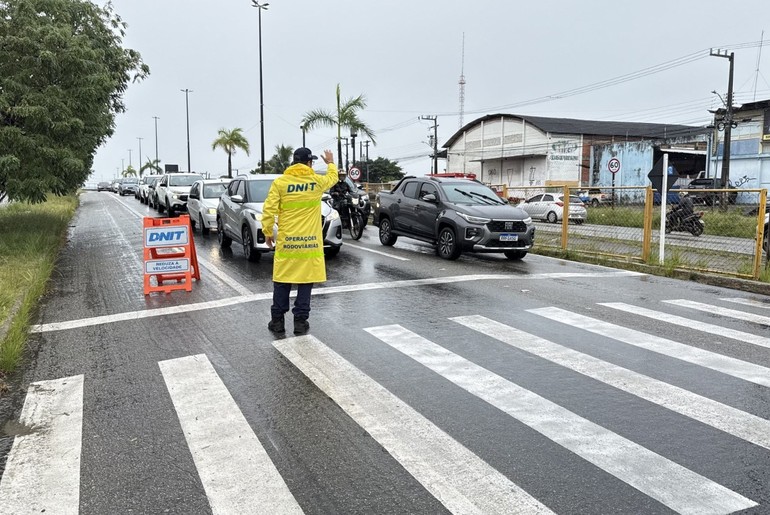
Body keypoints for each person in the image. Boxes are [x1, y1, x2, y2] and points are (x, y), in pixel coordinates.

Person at [263, 148, 338, 335]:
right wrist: (330, 162)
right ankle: (300, 322)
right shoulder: (316, 182)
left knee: (282, 281)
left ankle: (278, 321)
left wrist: (267, 232)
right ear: (309, 163)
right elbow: (333, 178)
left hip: (288, 243)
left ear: (293, 163)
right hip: (309, 244)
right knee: (305, 282)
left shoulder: (280, 183)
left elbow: (269, 209)